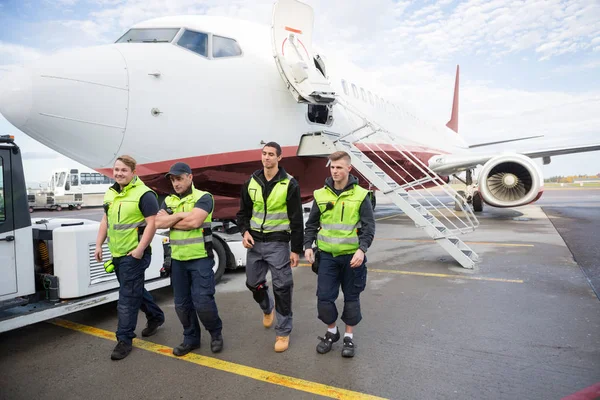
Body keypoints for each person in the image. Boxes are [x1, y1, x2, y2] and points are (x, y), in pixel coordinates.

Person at [304, 151, 375, 358]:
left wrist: (362, 250)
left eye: (339, 168)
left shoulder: (361, 195)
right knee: (324, 299)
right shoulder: (321, 194)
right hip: (327, 256)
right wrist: (308, 245)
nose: (335, 171)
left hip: (352, 258)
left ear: (348, 169)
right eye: (332, 167)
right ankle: (332, 331)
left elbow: (369, 227)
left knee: (351, 298)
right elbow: (312, 225)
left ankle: (349, 337)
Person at [94, 155, 165, 361]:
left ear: (133, 172)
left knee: (126, 299)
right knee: (134, 291)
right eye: (116, 169)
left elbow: (152, 224)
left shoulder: (144, 194)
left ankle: (124, 339)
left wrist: (140, 249)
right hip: (117, 254)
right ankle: (156, 316)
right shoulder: (110, 193)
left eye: (124, 170)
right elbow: (105, 221)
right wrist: (99, 244)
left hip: (134, 255)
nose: (119, 173)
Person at [236, 142, 304, 352]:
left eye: (271, 155)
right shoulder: (251, 182)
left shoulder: (289, 184)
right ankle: (267, 307)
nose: (266, 158)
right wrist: (244, 231)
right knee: (252, 283)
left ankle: (283, 332)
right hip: (255, 242)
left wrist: (296, 250)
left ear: (279, 158)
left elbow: (296, 219)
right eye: (264, 154)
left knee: (282, 287)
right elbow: (243, 213)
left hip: (278, 244)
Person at [155, 162, 224, 356]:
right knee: (182, 305)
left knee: (203, 302)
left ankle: (215, 333)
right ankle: (191, 339)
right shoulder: (168, 200)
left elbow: (195, 221)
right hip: (178, 260)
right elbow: (158, 223)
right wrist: (181, 216)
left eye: (179, 178)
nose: (175, 183)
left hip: (200, 258)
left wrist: (173, 218)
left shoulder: (203, 197)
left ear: (190, 177)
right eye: (173, 180)